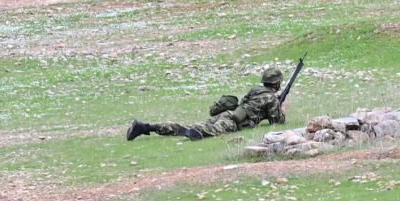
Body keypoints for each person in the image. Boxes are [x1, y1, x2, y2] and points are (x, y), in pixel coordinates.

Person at [126, 67, 293, 141]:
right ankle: (188, 132)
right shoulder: (271, 99)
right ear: (277, 83)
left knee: (191, 126)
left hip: (227, 114)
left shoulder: (255, 89)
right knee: (201, 131)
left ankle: (146, 127)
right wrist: (282, 108)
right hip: (233, 122)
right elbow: (276, 122)